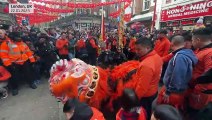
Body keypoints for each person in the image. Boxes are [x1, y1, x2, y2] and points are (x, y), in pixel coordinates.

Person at [157, 36, 198, 110]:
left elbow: (177, 76)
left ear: (172, 44)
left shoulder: (180, 57)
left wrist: (168, 91)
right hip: (179, 89)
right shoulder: (186, 53)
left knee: (167, 111)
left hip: (174, 92)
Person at [135, 37, 163, 120]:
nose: (136, 52)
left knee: (143, 115)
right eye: (136, 49)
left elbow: (142, 88)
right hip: (153, 92)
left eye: (139, 49)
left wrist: (134, 100)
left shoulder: (146, 64)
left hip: (145, 97)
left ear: (147, 48)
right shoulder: (156, 56)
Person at [189, 27, 212, 110]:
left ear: (198, 40)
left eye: (192, 40)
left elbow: (209, 76)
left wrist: (197, 91)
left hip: (203, 92)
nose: (192, 43)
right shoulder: (200, 50)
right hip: (195, 87)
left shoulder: (209, 53)